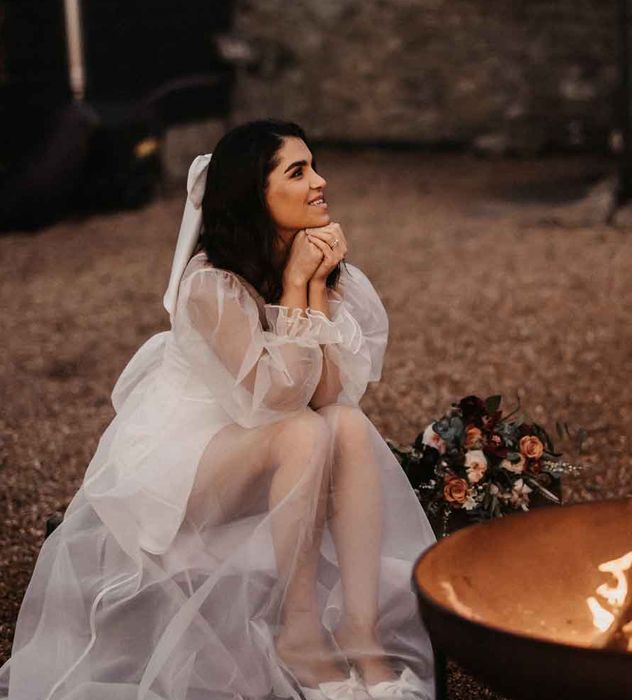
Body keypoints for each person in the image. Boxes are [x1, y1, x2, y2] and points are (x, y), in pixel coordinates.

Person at [0, 120, 437, 700]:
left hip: (268, 446)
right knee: (302, 432)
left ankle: (362, 633)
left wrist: (311, 289)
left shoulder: (319, 268)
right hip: (184, 470)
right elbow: (278, 401)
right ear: (254, 193)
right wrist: (295, 285)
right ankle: (300, 631)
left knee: (347, 425)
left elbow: (329, 394)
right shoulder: (210, 284)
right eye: (298, 171)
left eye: (314, 166)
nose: (320, 182)